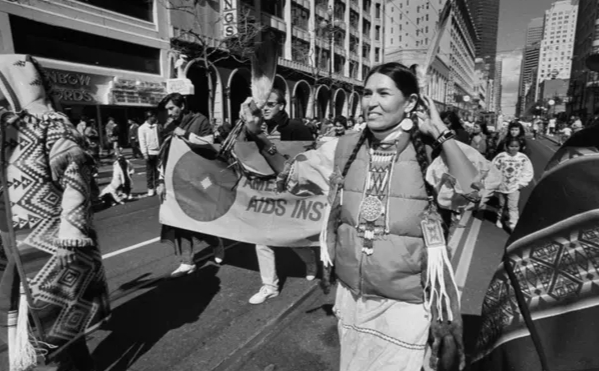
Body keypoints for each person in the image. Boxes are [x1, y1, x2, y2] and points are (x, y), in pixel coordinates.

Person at [240, 62, 496, 369]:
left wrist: (440, 134)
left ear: (410, 102)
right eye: (366, 93)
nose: (371, 101)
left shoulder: (430, 150)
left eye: (383, 93)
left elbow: (473, 191)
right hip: (352, 299)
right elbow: (292, 173)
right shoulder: (343, 146)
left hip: (405, 304)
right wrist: (258, 136)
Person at [0, 54, 109, 371]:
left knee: (59, 321)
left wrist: (71, 234)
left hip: (45, 242)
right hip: (8, 239)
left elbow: (76, 177)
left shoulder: (52, 122)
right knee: (23, 313)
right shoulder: (7, 129)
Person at [245, 88, 318, 305]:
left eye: (271, 104)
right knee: (262, 239)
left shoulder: (295, 127)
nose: (265, 108)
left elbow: (309, 158)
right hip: (264, 190)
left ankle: (311, 261)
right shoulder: (255, 126)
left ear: (282, 106)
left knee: (291, 237)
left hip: (290, 192)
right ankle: (270, 285)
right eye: (262, 104)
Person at [156, 93, 225, 276]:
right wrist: (161, 180)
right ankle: (187, 261)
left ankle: (216, 243)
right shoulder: (168, 126)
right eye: (167, 110)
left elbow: (209, 143)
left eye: (172, 108)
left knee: (198, 219)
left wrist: (184, 133)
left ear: (183, 105)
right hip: (177, 179)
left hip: (200, 178)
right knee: (179, 221)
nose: (169, 113)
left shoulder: (199, 120)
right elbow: (165, 155)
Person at [492, 137, 533, 231]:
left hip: (514, 186)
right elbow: (493, 168)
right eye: (511, 146)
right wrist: (494, 181)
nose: (514, 148)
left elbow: (528, 171)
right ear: (506, 146)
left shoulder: (523, 158)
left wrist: (522, 183)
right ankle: (499, 218)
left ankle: (513, 224)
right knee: (502, 204)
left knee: (513, 206)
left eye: (516, 146)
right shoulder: (501, 156)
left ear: (520, 147)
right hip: (501, 185)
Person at [138, 110, 162, 197]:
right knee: (149, 171)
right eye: (153, 116)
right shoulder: (142, 128)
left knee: (158, 171)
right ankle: (150, 188)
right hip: (149, 152)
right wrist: (144, 153)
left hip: (158, 152)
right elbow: (142, 141)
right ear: (149, 117)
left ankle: (157, 186)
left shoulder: (157, 126)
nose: (155, 118)